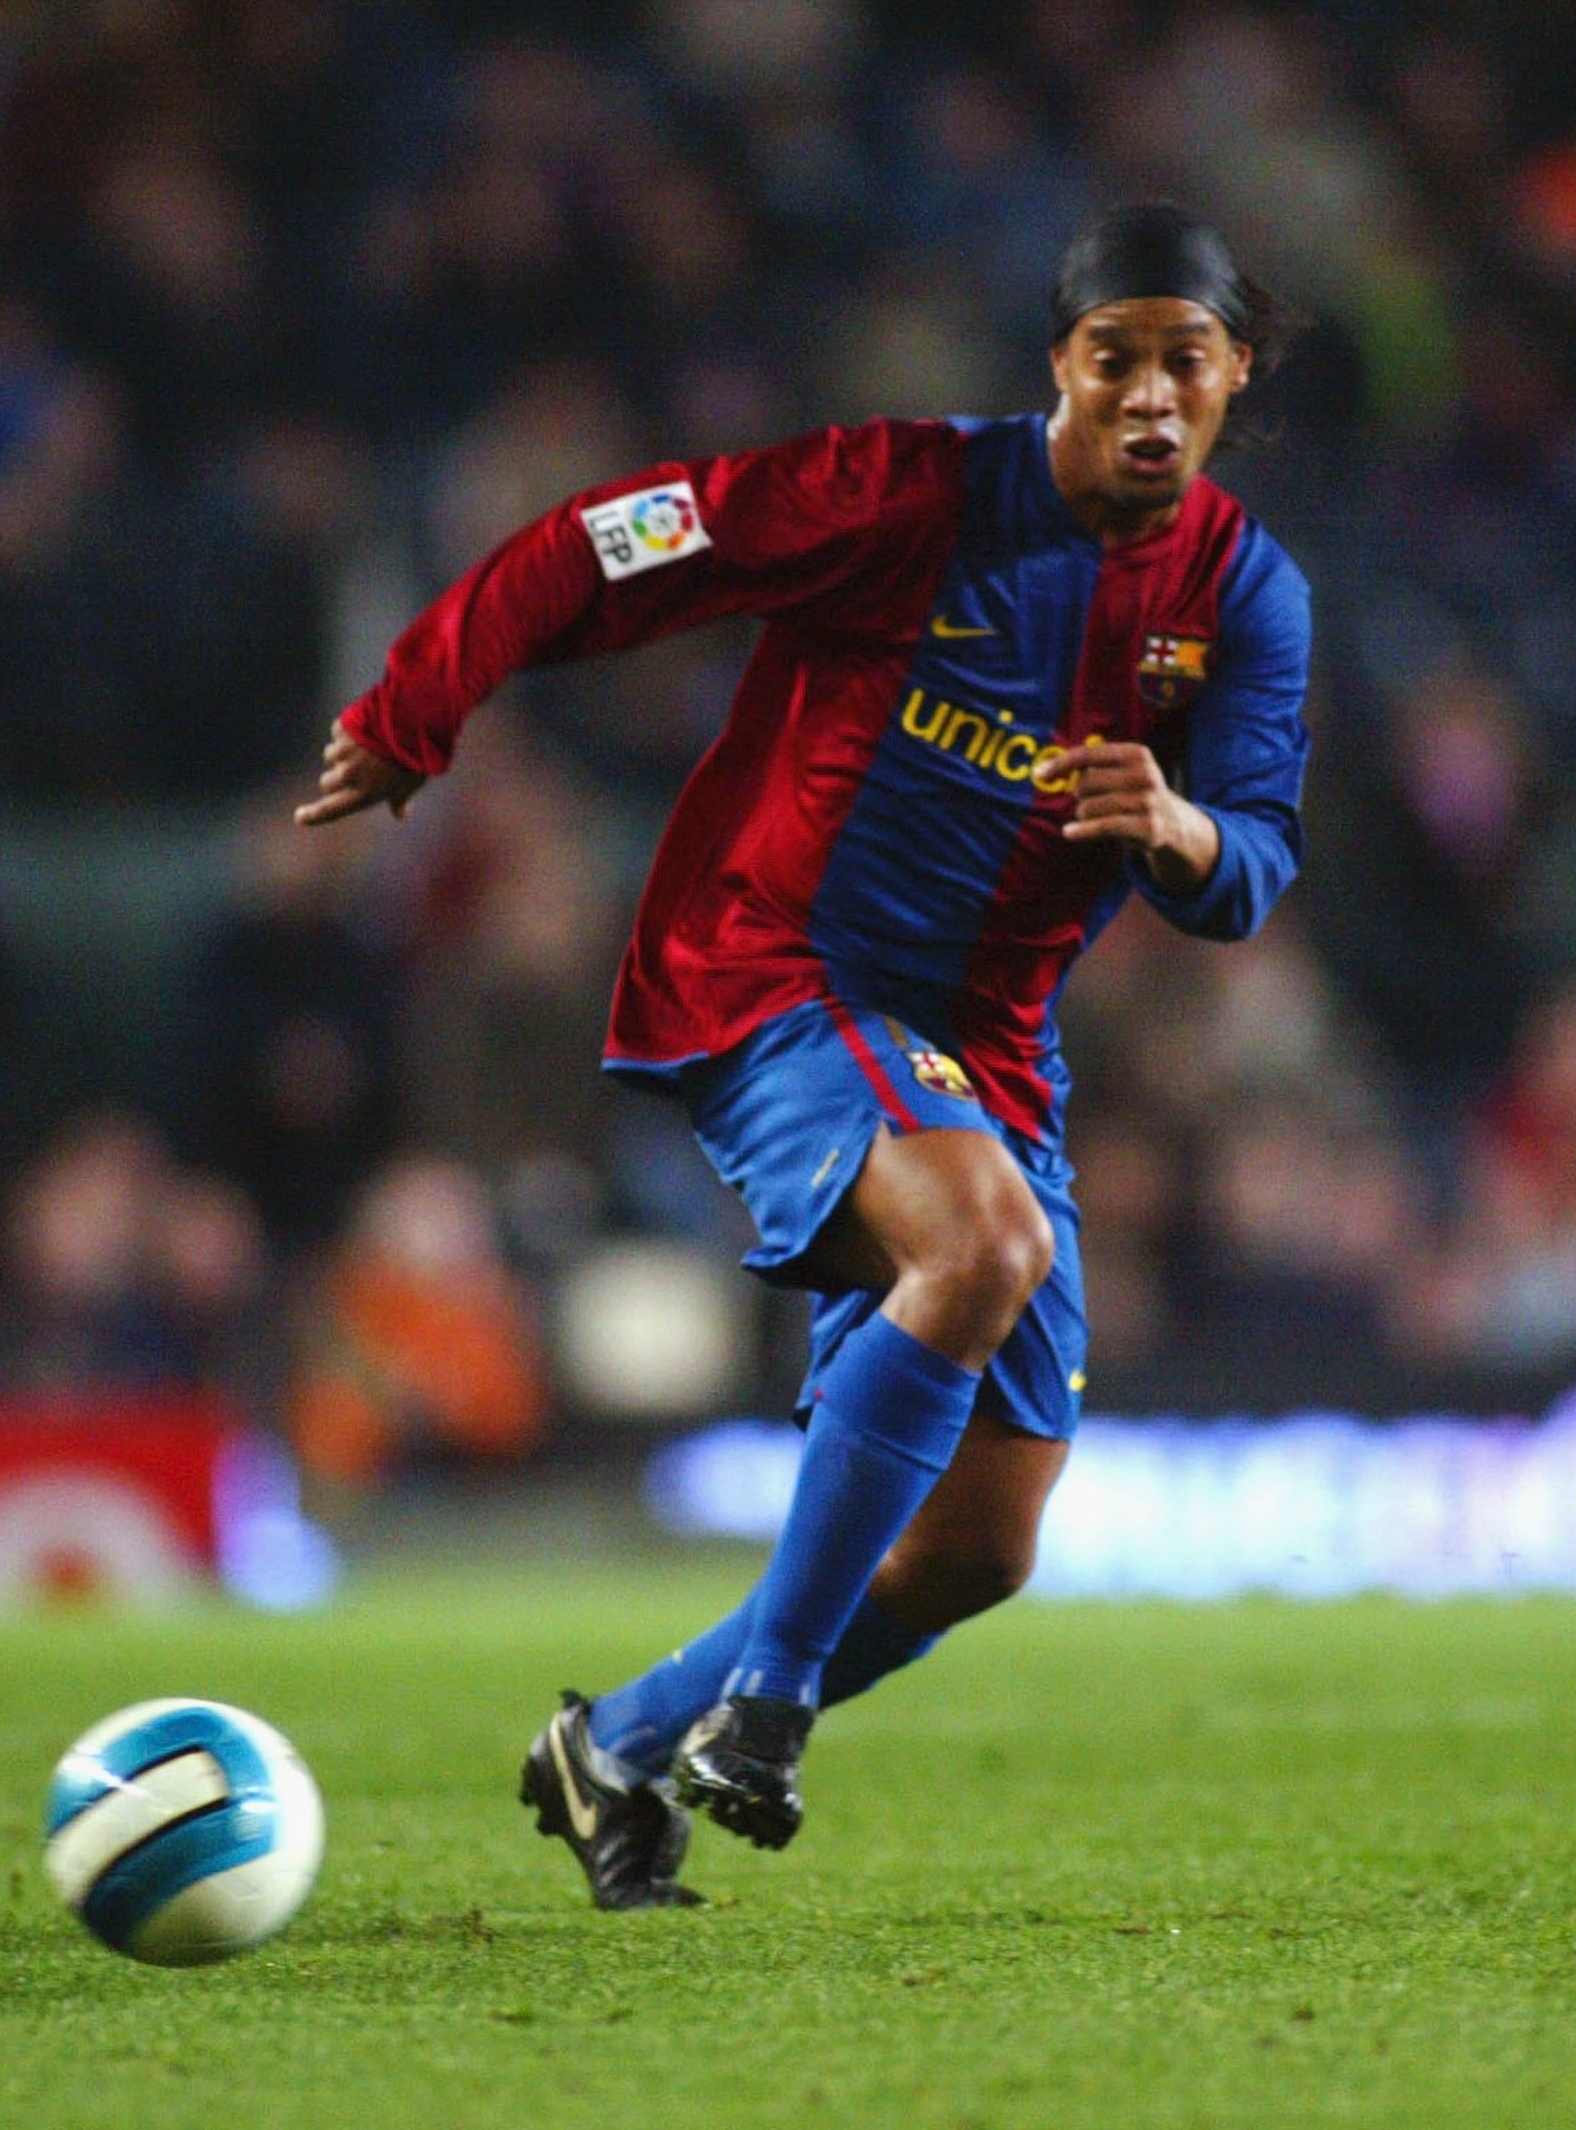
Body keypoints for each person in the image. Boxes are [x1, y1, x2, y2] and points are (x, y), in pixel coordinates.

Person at [298, 204, 1310, 1908]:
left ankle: (615, 1745)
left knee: (982, 1548)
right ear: (1059, 366)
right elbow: (602, 546)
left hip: (983, 1045)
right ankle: (763, 1707)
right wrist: (419, 702)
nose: (1149, 393)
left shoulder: (1244, 592)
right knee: (985, 1238)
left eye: (1183, 362)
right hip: (773, 964)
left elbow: (1258, 863)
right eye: (1114, 356)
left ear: (1234, 381)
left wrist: (1182, 826)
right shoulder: (902, 493)